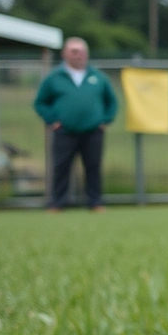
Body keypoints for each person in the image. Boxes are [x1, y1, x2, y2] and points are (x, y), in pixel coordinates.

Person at [32, 37, 118, 212]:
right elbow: (40, 102)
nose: (78, 55)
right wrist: (52, 120)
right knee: (61, 167)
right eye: (74, 51)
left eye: (81, 51)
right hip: (65, 131)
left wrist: (105, 120)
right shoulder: (54, 77)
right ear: (65, 54)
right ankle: (57, 203)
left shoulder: (98, 77)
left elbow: (112, 102)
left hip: (93, 131)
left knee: (93, 167)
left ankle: (95, 202)